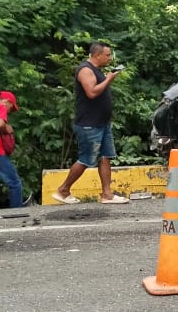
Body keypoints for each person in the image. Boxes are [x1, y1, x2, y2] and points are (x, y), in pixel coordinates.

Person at [50, 41, 129, 204]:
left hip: (102, 122)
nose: (110, 58)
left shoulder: (97, 70)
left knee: (105, 157)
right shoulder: (85, 70)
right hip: (89, 124)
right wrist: (109, 79)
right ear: (97, 55)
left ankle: (107, 194)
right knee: (86, 159)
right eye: (107, 55)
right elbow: (91, 92)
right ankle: (63, 190)